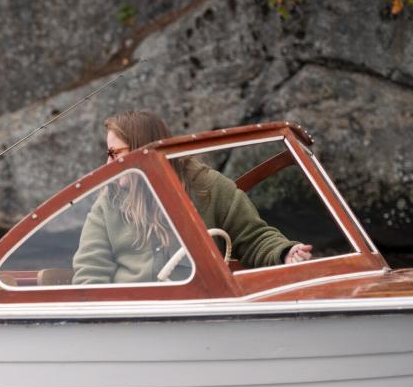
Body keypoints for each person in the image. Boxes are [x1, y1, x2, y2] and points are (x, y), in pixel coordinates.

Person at [72, 111, 312, 284]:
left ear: (139, 149)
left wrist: (285, 252)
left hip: (202, 306)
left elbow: (255, 238)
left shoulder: (210, 187)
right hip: (132, 316)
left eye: (115, 154)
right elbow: (89, 273)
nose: (108, 164)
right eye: (108, 154)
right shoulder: (108, 203)